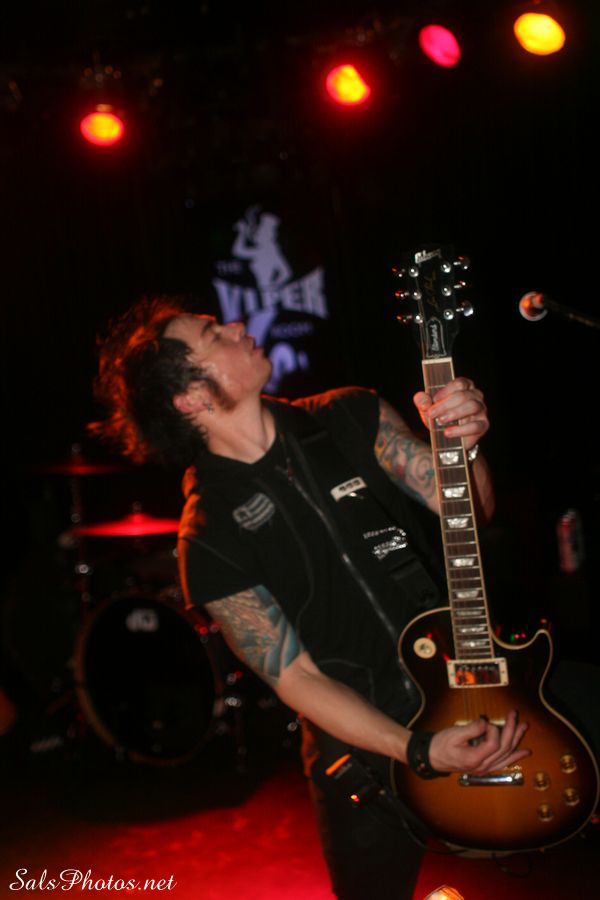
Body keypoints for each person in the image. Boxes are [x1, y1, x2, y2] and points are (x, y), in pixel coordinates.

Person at [88, 297, 548, 899]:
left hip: (477, 686)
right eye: (213, 334)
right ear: (191, 398)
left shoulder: (350, 413)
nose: (236, 325)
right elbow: (296, 676)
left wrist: (465, 443)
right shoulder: (208, 536)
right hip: (367, 750)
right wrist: (418, 750)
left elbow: (471, 510)